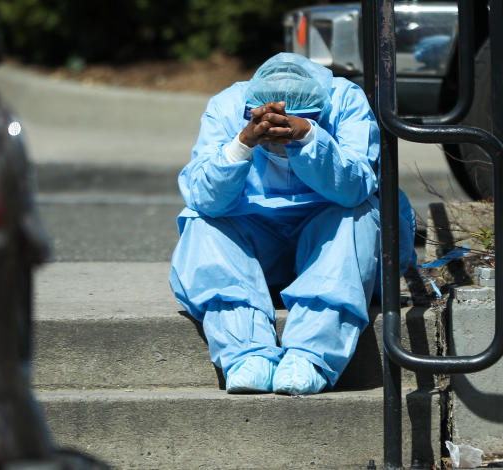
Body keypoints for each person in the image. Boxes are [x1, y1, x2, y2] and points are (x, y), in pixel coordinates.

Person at [169, 52, 416, 395]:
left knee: (356, 214)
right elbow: (203, 196)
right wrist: (243, 143)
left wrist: (309, 136)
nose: (277, 132)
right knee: (202, 223)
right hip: (259, 245)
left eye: (288, 121)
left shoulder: (344, 100)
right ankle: (245, 353)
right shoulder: (226, 106)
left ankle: (311, 353)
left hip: (332, 244)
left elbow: (356, 186)